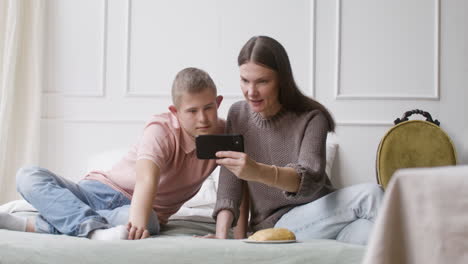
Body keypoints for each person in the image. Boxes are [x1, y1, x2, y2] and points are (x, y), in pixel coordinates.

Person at [0, 67, 225, 240]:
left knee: (148, 220)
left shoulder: (224, 136)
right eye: (192, 111)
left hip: (139, 210)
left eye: (208, 108)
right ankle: (92, 231)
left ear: (218, 103)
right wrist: (138, 226)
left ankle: (34, 224)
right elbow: (146, 179)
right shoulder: (161, 130)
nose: (203, 119)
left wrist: (231, 234)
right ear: (175, 112)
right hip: (96, 191)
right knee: (27, 175)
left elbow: (237, 186)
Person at [205, 36, 383, 245]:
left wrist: (257, 171)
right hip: (278, 223)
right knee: (371, 194)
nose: (251, 92)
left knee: (368, 231)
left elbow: (309, 178)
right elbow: (229, 184)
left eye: (262, 81)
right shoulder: (238, 114)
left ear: (281, 79)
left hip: (326, 214)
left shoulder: (312, 117)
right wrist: (220, 237)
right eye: (245, 80)